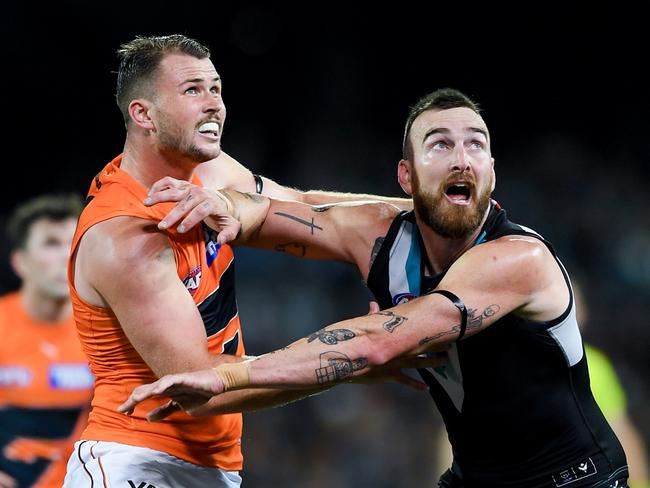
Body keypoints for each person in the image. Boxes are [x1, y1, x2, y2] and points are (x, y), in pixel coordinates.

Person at [120, 88, 631, 487]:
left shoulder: (519, 259)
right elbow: (280, 207)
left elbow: (377, 341)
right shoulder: (379, 233)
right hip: (478, 477)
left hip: (573, 479)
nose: (461, 158)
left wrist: (226, 376)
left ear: (492, 172)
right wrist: (230, 208)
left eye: (476, 144)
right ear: (405, 176)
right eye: (440, 144)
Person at [63, 33, 414, 488]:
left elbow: (303, 205)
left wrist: (423, 210)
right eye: (193, 90)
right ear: (143, 114)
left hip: (210, 467)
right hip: (136, 461)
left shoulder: (207, 173)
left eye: (216, 89)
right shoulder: (126, 236)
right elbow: (202, 390)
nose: (214, 104)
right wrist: (352, 358)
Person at [0, 194, 92, 488]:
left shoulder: (109, 333)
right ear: (20, 261)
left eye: (73, 243)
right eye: (52, 243)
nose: (67, 255)